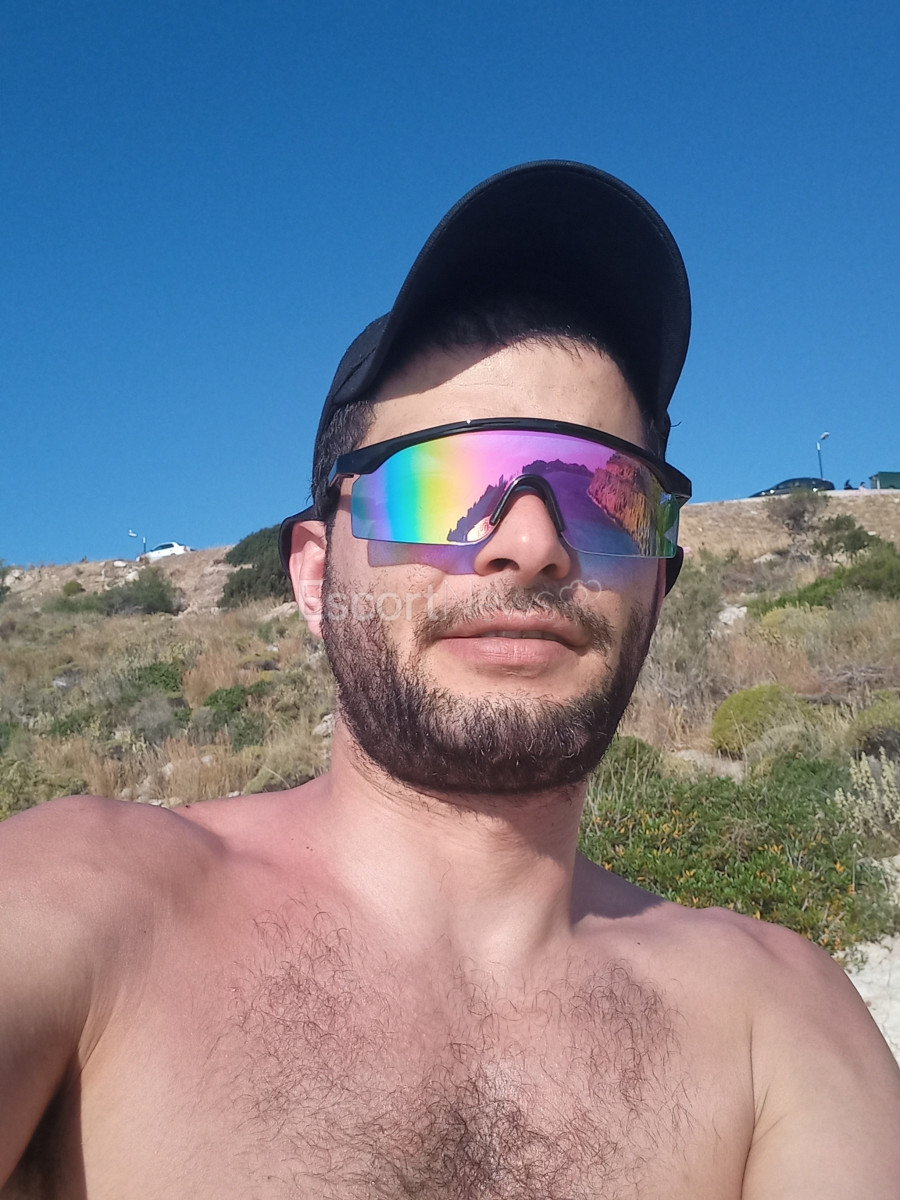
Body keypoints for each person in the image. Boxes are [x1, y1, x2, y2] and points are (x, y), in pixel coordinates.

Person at [2, 162, 899, 1199]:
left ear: (657, 585)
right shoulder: (82, 909)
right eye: (440, 484)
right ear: (313, 574)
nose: (532, 545)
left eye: (604, 494)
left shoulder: (778, 1026)